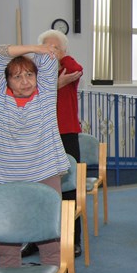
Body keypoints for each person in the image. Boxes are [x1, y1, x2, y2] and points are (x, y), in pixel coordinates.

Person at [0, 41, 71, 273]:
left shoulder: (45, 96)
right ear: (5, 81)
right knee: (7, 244)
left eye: (29, 75)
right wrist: (32, 46)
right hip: (3, 174)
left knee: (50, 242)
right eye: (16, 76)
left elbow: (48, 62)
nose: (25, 81)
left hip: (43, 171)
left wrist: (43, 52)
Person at [22, 30, 84, 258]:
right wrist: (53, 85)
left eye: (55, 47)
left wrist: (59, 56)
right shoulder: (32, 74)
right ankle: (36, 241)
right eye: (46, 47)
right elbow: (27, 95)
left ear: (63, 51)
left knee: (69, 191)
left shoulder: (68, 69)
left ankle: (73, 240)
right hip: (40, 134)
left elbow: (78, 68)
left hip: (66, 134)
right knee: (37, 190)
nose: (50, 50)